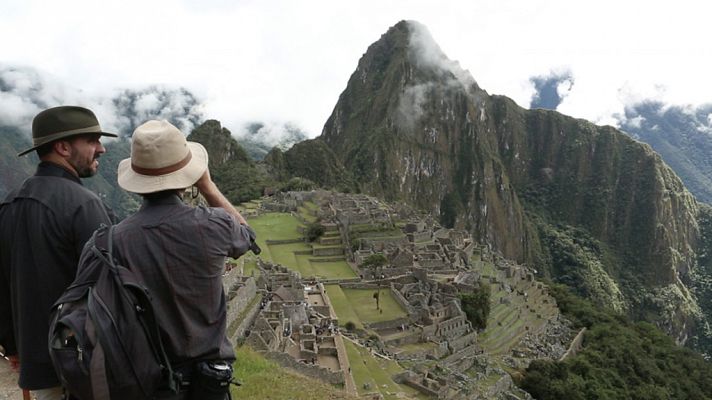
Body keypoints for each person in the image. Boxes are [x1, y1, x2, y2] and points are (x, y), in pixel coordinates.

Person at [87, 119, 254, 399]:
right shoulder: (213, 226)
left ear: (136, 181)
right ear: (188, 176)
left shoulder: (111, 240)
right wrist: (208, 187)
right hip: (208, 382)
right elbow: (247, 237)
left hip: (145, 380)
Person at [0, 106, 117, 400]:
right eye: (91, 140)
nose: (101, 149)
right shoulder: (84, 205)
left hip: (36, 362)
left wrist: (12, 346)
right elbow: (109, 288)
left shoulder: (9, 205)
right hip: (83, 362)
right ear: (63, 147)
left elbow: (2, 286)